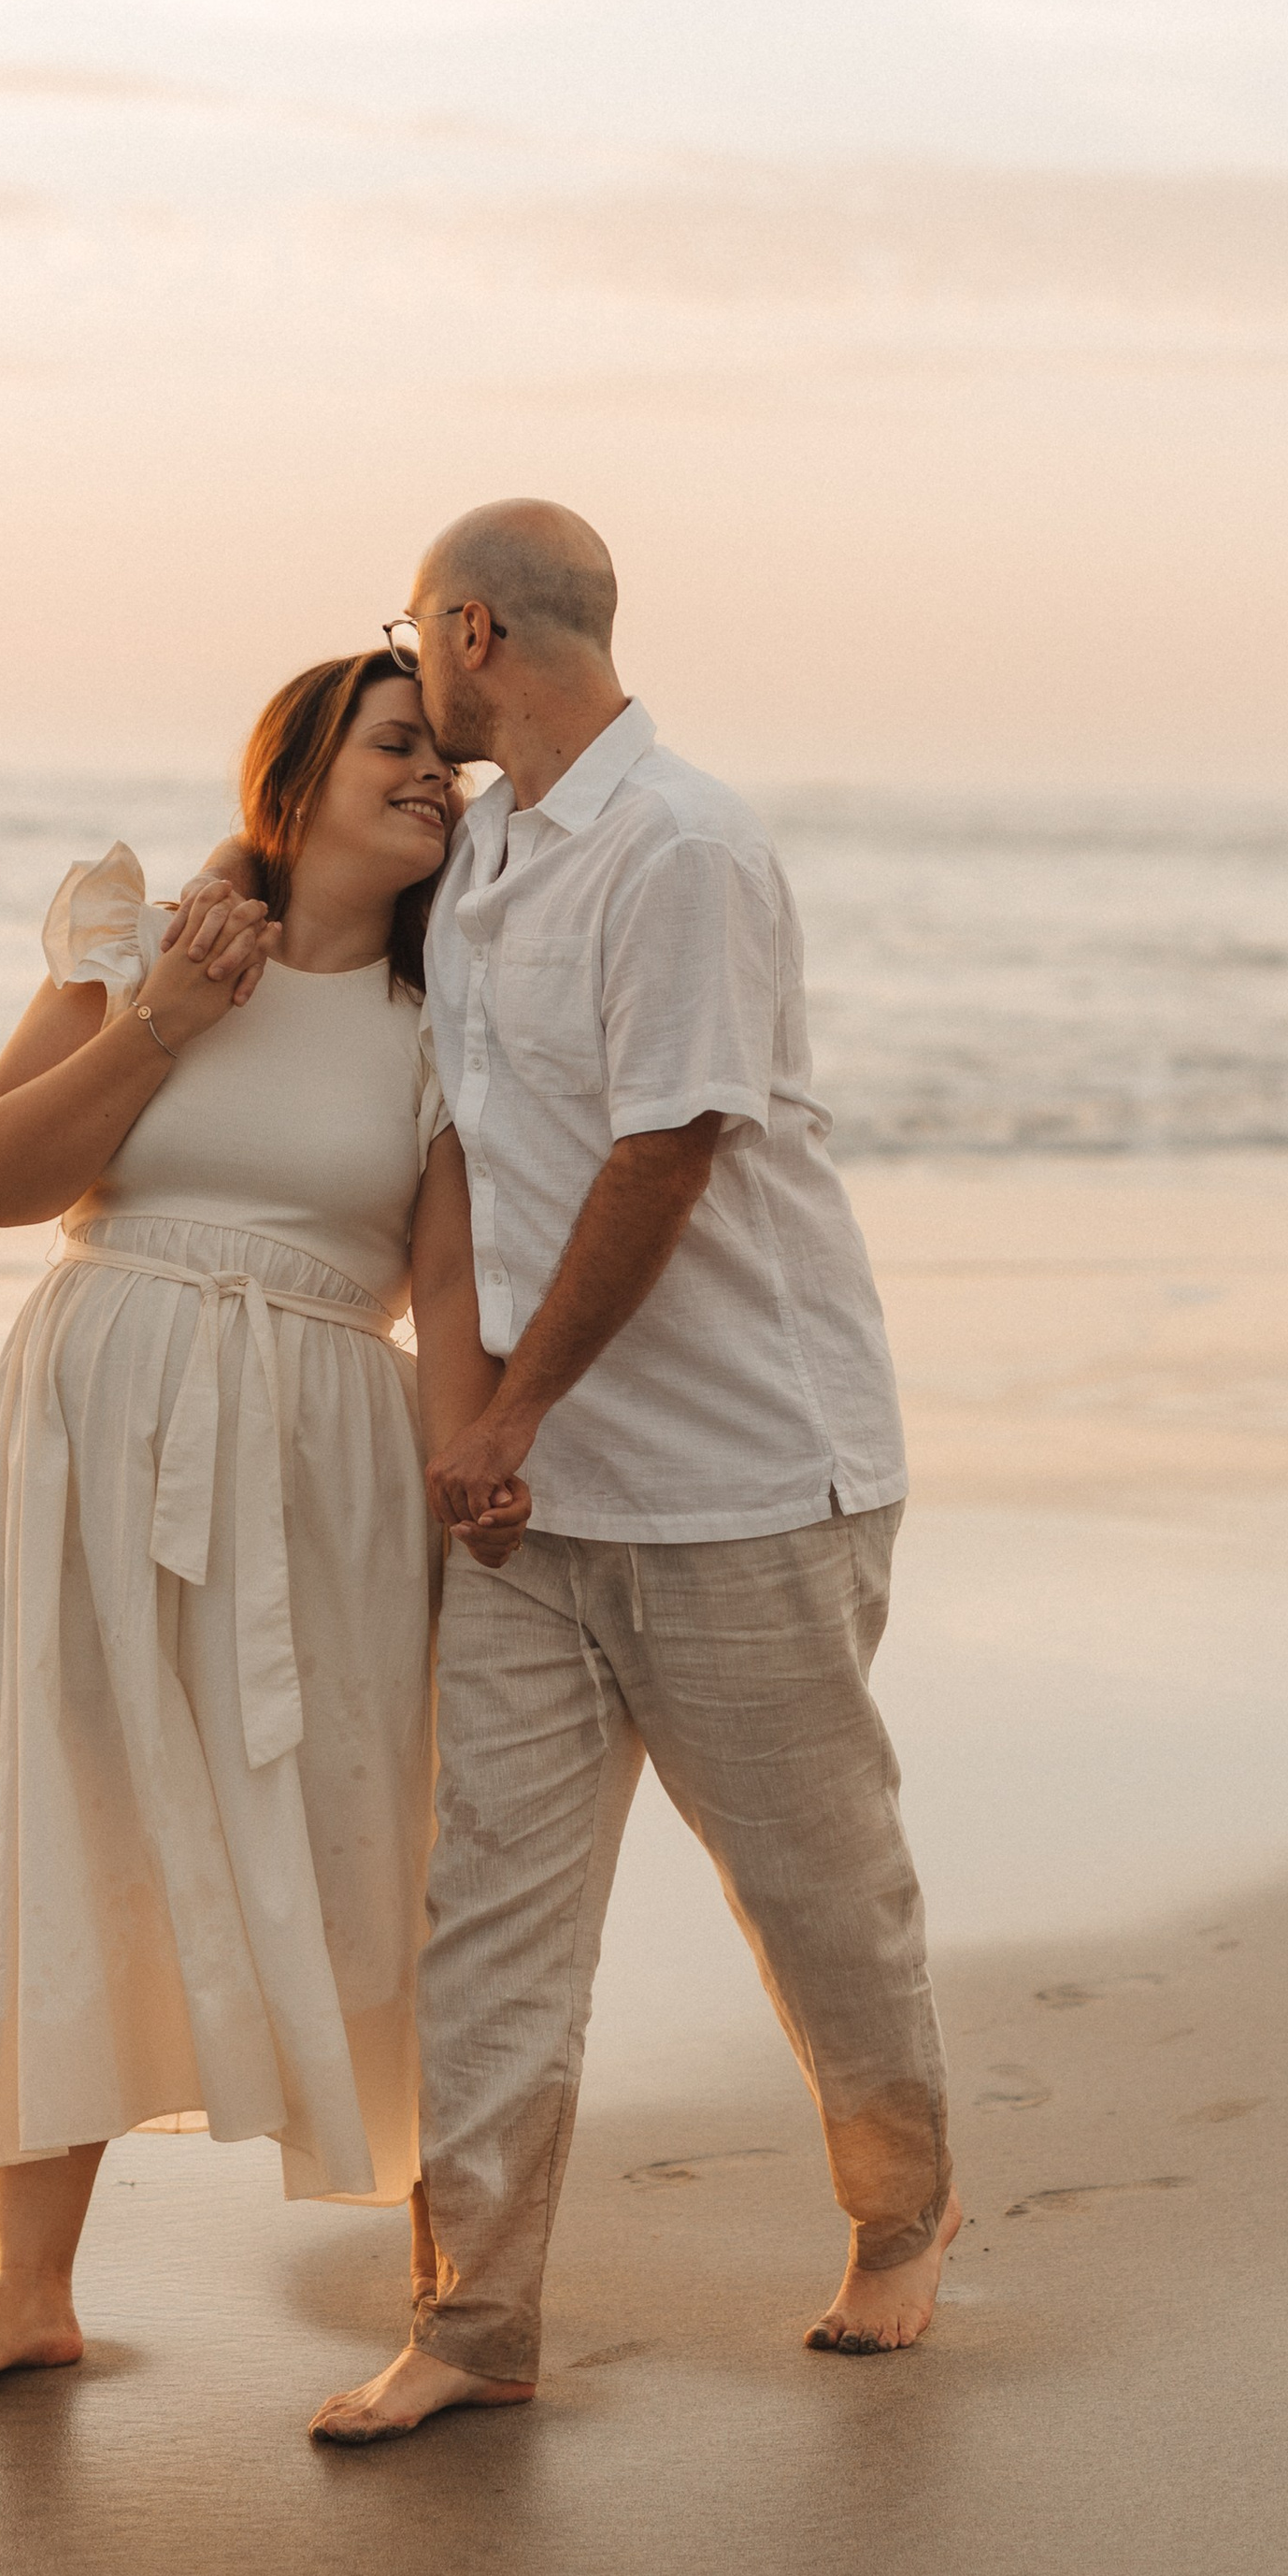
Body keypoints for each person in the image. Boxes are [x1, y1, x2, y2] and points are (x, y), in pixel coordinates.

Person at [307, 502, 958, 2446]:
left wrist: (500, 1412)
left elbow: (661, 1152)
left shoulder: (679, 847)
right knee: (487, 1916)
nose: (413, 673)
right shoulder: (491, 841)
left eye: (415, 638)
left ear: (474, 626)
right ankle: (472, 2320)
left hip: (743, 1477)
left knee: (814, 1891)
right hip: (532, 1502)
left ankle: (898, 2218)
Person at [0, 655, 527, 2398]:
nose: (435, 783)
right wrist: (164, 1012)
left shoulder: (451, 1016)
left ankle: (448, 2297)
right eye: (400, 749)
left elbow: (454, 1273)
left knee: (351, 1828)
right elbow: (3, 1178)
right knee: (66, 1798)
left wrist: (484, 1474)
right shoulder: (142, 941)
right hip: (92, 1427)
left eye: (447, 767)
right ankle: (30, 2295)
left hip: (323, 1444)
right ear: (298, 772)